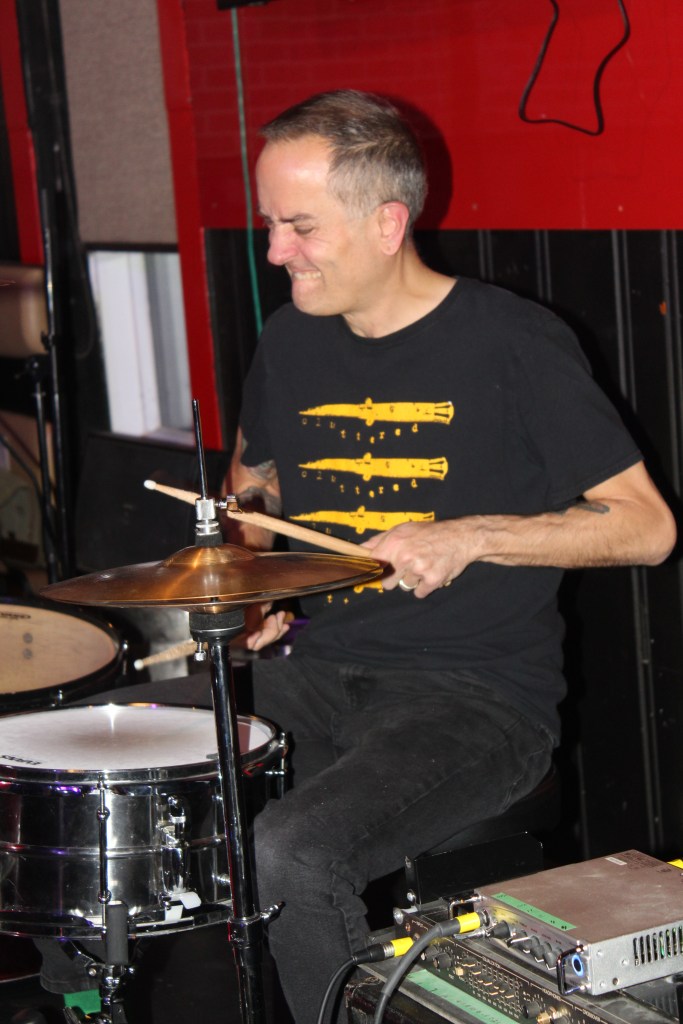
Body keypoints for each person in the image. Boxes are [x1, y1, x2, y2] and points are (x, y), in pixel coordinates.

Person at [227, 89, 676, 1023]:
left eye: (299, 227)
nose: (275, 252)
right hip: (309, 669)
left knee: (291, 852)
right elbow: (255, 486)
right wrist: (247, 582)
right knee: (124, 774)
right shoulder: (289, 338)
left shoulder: (512, 341)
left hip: (473, 697)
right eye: (270, 224)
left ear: (386, 223)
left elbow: (645, 527)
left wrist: (469, 534)